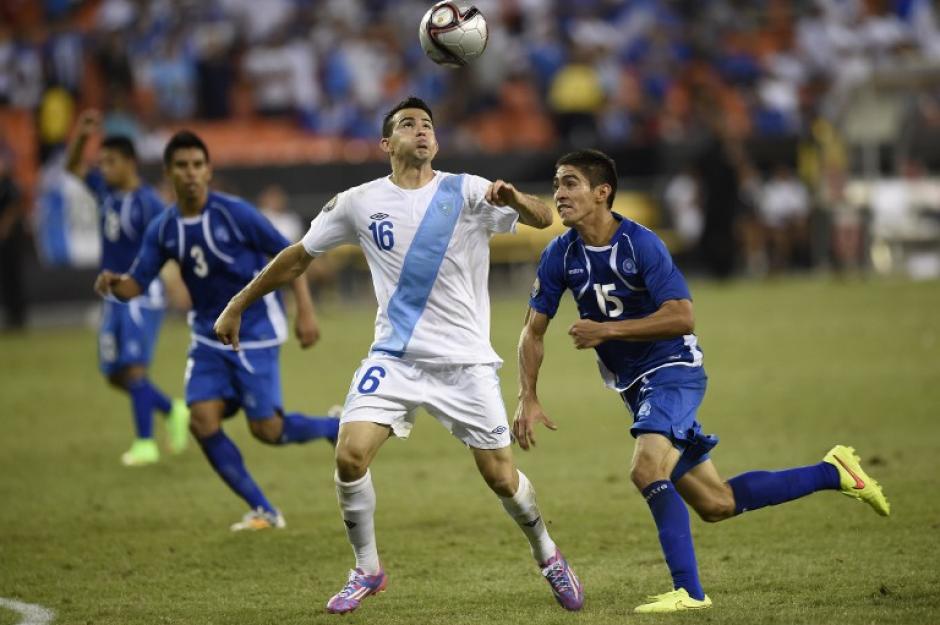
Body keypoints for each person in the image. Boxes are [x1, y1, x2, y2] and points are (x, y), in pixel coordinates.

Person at [213, 97, 584, 614]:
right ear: (387, 144)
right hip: (395, 359)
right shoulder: (359, 202)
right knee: (349, 455)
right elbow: (297, 257)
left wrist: (515, 198)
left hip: (465, 364)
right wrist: (237, 303)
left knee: (501, 476)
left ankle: (547, 553)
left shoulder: (469, 189)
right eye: (409, 125)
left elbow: (545, 219)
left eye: (428, 124)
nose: (422, 131)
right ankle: (367, 569)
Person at [514, 149, 890, 614]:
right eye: (557, 183)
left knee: (645, 469)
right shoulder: (560, 254)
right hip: (635, 386)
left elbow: (682, 316)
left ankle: (689, 593)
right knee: (717, 503)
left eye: (570, 183)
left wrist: (607, 330)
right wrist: (527, 396)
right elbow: (533, 331)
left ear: (602, 192)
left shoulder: (640, 244)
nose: (559, 193)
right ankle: (835, 471)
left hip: (674, 371)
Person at [94, 130, 340, 531]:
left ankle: (333, 427)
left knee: (268, 430)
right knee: (202, 421)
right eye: (182, 166)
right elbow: (137, 282)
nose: (190, 173)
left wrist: (305, 313)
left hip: (256, 331)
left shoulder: (235, 213)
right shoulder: (163, 228)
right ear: (168, 173)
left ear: (208, 171)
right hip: (208, 338)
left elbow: (292, 257)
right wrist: (115, 285)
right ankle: (262, 509)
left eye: (197, 165)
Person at [66, 110, 189, 466]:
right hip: (111, 295)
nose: (102, 168)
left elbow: (173, 242)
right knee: (115, 374)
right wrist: (81, 135)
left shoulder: (150, 202)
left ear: (130, 163)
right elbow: (73, 168)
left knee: (135, 369)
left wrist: (177, 283)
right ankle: (172, 410)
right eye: (101, 162)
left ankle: (145, 443)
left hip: (141, 293)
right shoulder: (104, 191)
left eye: (110, 162)